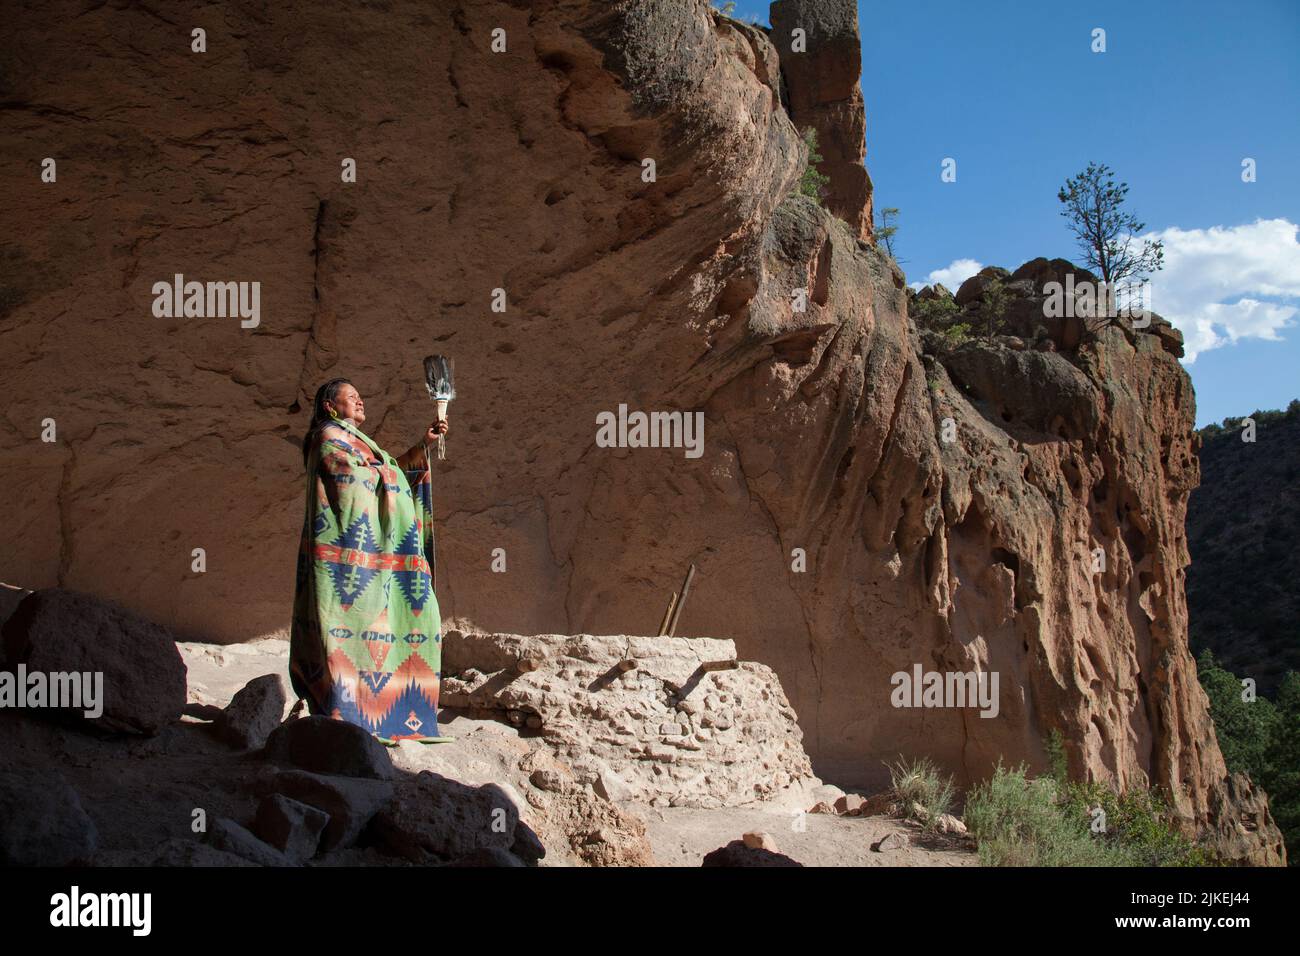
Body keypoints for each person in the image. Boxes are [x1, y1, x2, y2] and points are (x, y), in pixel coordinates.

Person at [289, 378, 450, 744]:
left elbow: (383, 475)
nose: (361, 401)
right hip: (345, 568)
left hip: (366, 563)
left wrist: (422, 446)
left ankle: (393, 712)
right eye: (352, 397)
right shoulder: (327, 438)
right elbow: (351, 486)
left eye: (361, 396)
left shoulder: (354, 441)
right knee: (348, 632)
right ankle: (348, 711)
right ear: (331, 407)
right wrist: (389, 474)